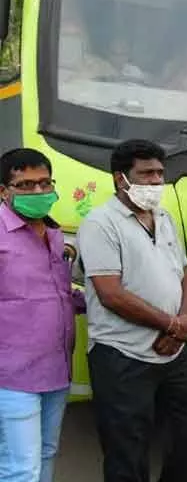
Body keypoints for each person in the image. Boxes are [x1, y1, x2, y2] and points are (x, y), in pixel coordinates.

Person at [77, 139, 187, 482]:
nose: (155, 182)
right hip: (122, 355)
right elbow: (111, 294)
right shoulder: (101, 223)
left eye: (160, 173)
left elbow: (184, 274)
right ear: (121, 178)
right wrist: (173, 324)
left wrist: (180, 326)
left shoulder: (164, 218)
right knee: (127, 450)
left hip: (172, 352)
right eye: (146, 174)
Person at [0, 149, 82, 482]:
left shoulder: (54, 234)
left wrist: (100, 299)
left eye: (45, 183)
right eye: (26, 185)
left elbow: (59, 293)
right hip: (12, 375)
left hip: (56, 369)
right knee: (21, 467)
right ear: (4, 191)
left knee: (46, 454)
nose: (38, 192)